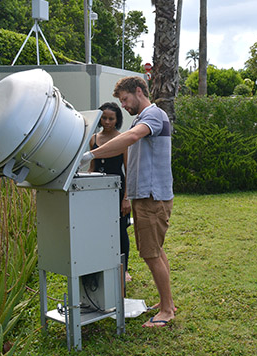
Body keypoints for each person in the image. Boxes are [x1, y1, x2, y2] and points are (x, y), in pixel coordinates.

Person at [81, 76, 175, 328]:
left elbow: (131, 138)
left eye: (124, 99)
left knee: (151, 253)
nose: (123, 105)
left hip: (152, 196)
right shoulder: (143, 118)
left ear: (137, 91)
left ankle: (167, 311)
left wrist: (90, 154)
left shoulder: (153, 115)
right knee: (156, 250)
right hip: (146, 196)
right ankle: (167, 302)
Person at [88, 102, 132, 283]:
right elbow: (92, 166)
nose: (107, 122)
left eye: (111, 118)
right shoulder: (93, 139)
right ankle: (103, 265)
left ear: (117, 120)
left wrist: (126, 198)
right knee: (99, 229)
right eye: (104, 118)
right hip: (97, 190)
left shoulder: (123, 139)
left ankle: (124, 270)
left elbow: (128, 169)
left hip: (117, 189)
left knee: (120, 230)